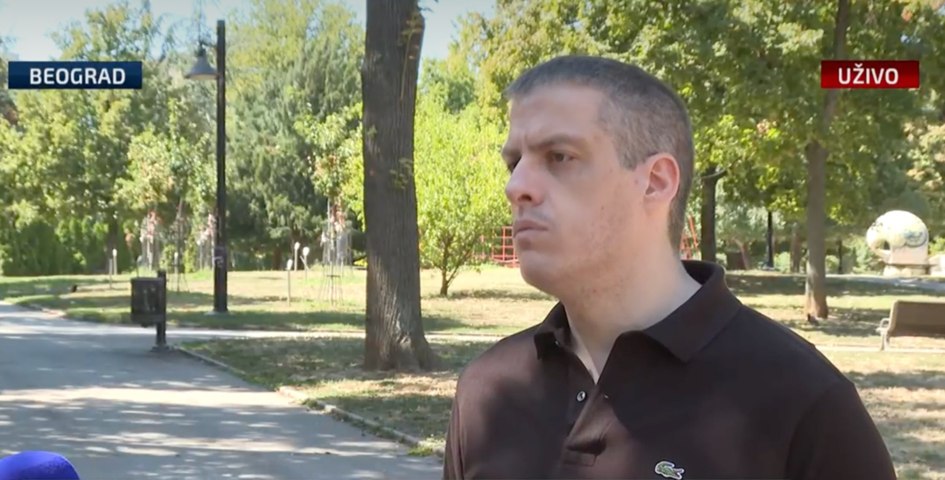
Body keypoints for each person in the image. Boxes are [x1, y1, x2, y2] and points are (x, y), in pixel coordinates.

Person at [442, 55, 896, 480]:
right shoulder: (488, 391)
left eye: (559, 157)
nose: (516, 186)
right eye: (514, 163)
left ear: (656, 182)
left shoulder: (802, 403)